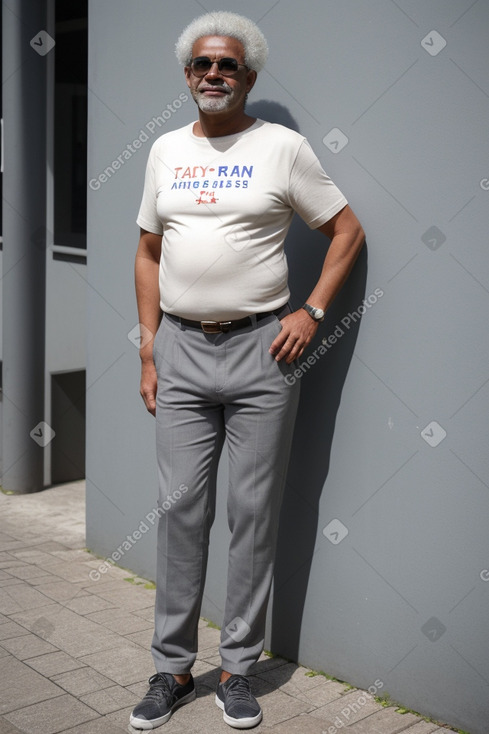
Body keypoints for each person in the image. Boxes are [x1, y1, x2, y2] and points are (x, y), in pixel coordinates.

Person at [130, 10, 365, 731]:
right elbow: (146, 250)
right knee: (178, 511)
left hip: (263, 350)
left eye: (227, 65)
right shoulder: (166, 150)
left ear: (248, 77)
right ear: (186, 74)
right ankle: (171, 666)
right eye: (202, 64)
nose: (213, 75)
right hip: (181, 351)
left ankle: (236, 667)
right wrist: (148, 346)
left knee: (253, 515)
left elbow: (346, 229)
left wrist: (312, 312)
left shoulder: (281, 148)